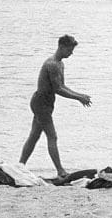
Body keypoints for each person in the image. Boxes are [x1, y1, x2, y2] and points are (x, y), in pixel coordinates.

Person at [19, 34, 92, 178]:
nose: (71, 53)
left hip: (47, 103)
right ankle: (60, 170)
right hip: (40, 103)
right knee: (52, 136)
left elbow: (62, 86)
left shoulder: (60, 63)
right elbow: (58, 89)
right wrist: (78, 98)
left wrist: (80, 95)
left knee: (34, 135)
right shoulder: (51, 64)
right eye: (69, 50)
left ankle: (20, 165)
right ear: (61, 47)